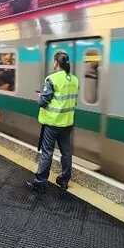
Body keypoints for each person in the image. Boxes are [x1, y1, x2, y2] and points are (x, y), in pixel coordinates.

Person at [26, 52, 79, 192]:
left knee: (47, 153)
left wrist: (39, 96)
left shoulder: (52, 79)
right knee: (66, 152)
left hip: (52, 123)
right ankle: (64, 181)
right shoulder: (74, 79)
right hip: (67, 123)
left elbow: (43, 102)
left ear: (56, 62)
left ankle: (40, 182)